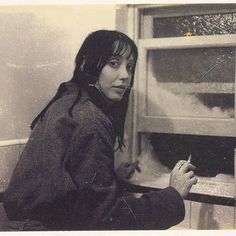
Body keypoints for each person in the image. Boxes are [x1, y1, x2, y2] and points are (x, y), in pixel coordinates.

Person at [3, 30, 198, 231]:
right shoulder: (91, 119)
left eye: (130, 67)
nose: (125, 76)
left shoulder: (68, 102)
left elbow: (68, 184)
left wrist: (109, 176)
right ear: (87, 65)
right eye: (114, 63)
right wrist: (173, 195)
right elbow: (106, 218)